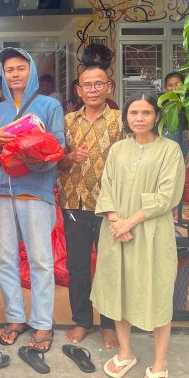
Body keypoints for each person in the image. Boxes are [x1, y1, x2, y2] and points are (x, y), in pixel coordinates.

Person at [91, 92, 185, 378]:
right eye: (134, 113)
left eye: (146, 113)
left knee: (156, 292)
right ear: (126, 117)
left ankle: (160, 362)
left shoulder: (170, 150)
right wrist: (117, 220)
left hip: (151, 233)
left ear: (156, 116)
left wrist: (129, 223)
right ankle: (126, 352)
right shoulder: (118, 149)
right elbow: (106, 186)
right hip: (116, 229)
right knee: (119, 289)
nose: (139, 119)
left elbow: (167, 195)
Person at [0, 48, 65, 352]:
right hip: (5, 191)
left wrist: (34, 142)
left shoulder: (50, 105)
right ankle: (15, 317)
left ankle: (43, 322)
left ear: (31, 70)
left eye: (21, 68)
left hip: (36, 189)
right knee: (5, 258)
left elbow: (58, 144)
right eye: (9, 69)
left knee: (40, 260)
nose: (15, 74)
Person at [57, 66, 123, 349]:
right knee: (78, 266)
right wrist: (71, 156)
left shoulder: (122, 121)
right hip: (74, 202)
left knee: (109, 267)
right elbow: (56, 161)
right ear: (79, 90)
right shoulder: (67, 121)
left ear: (110, 87)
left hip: (110, 206)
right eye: (87, 85)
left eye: (99, 84)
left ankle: (109, 324)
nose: (93, 90)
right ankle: (82, 321)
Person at [163, 72, 189, 159]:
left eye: (177, 84)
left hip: (182, 135)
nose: (173, 88)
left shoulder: (188, 102)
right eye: (170, 85)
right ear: (166, 88)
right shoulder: (161, 103)